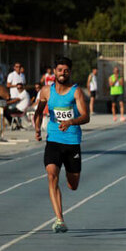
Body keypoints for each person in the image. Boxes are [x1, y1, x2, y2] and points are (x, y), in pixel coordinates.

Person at [33, 57, 90, 233]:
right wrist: (37, 128)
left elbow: (86, 116)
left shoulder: (76, 92)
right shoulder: (46, 91)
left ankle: (69, 176)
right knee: (51, 175)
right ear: (54, 72)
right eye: (59, 70)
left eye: (66, 70)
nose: (62, 73)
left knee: (73, 185)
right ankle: (59, 220)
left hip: (72, 141)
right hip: (53, 140)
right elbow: (39, 111)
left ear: (70, 72)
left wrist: (71, 122)